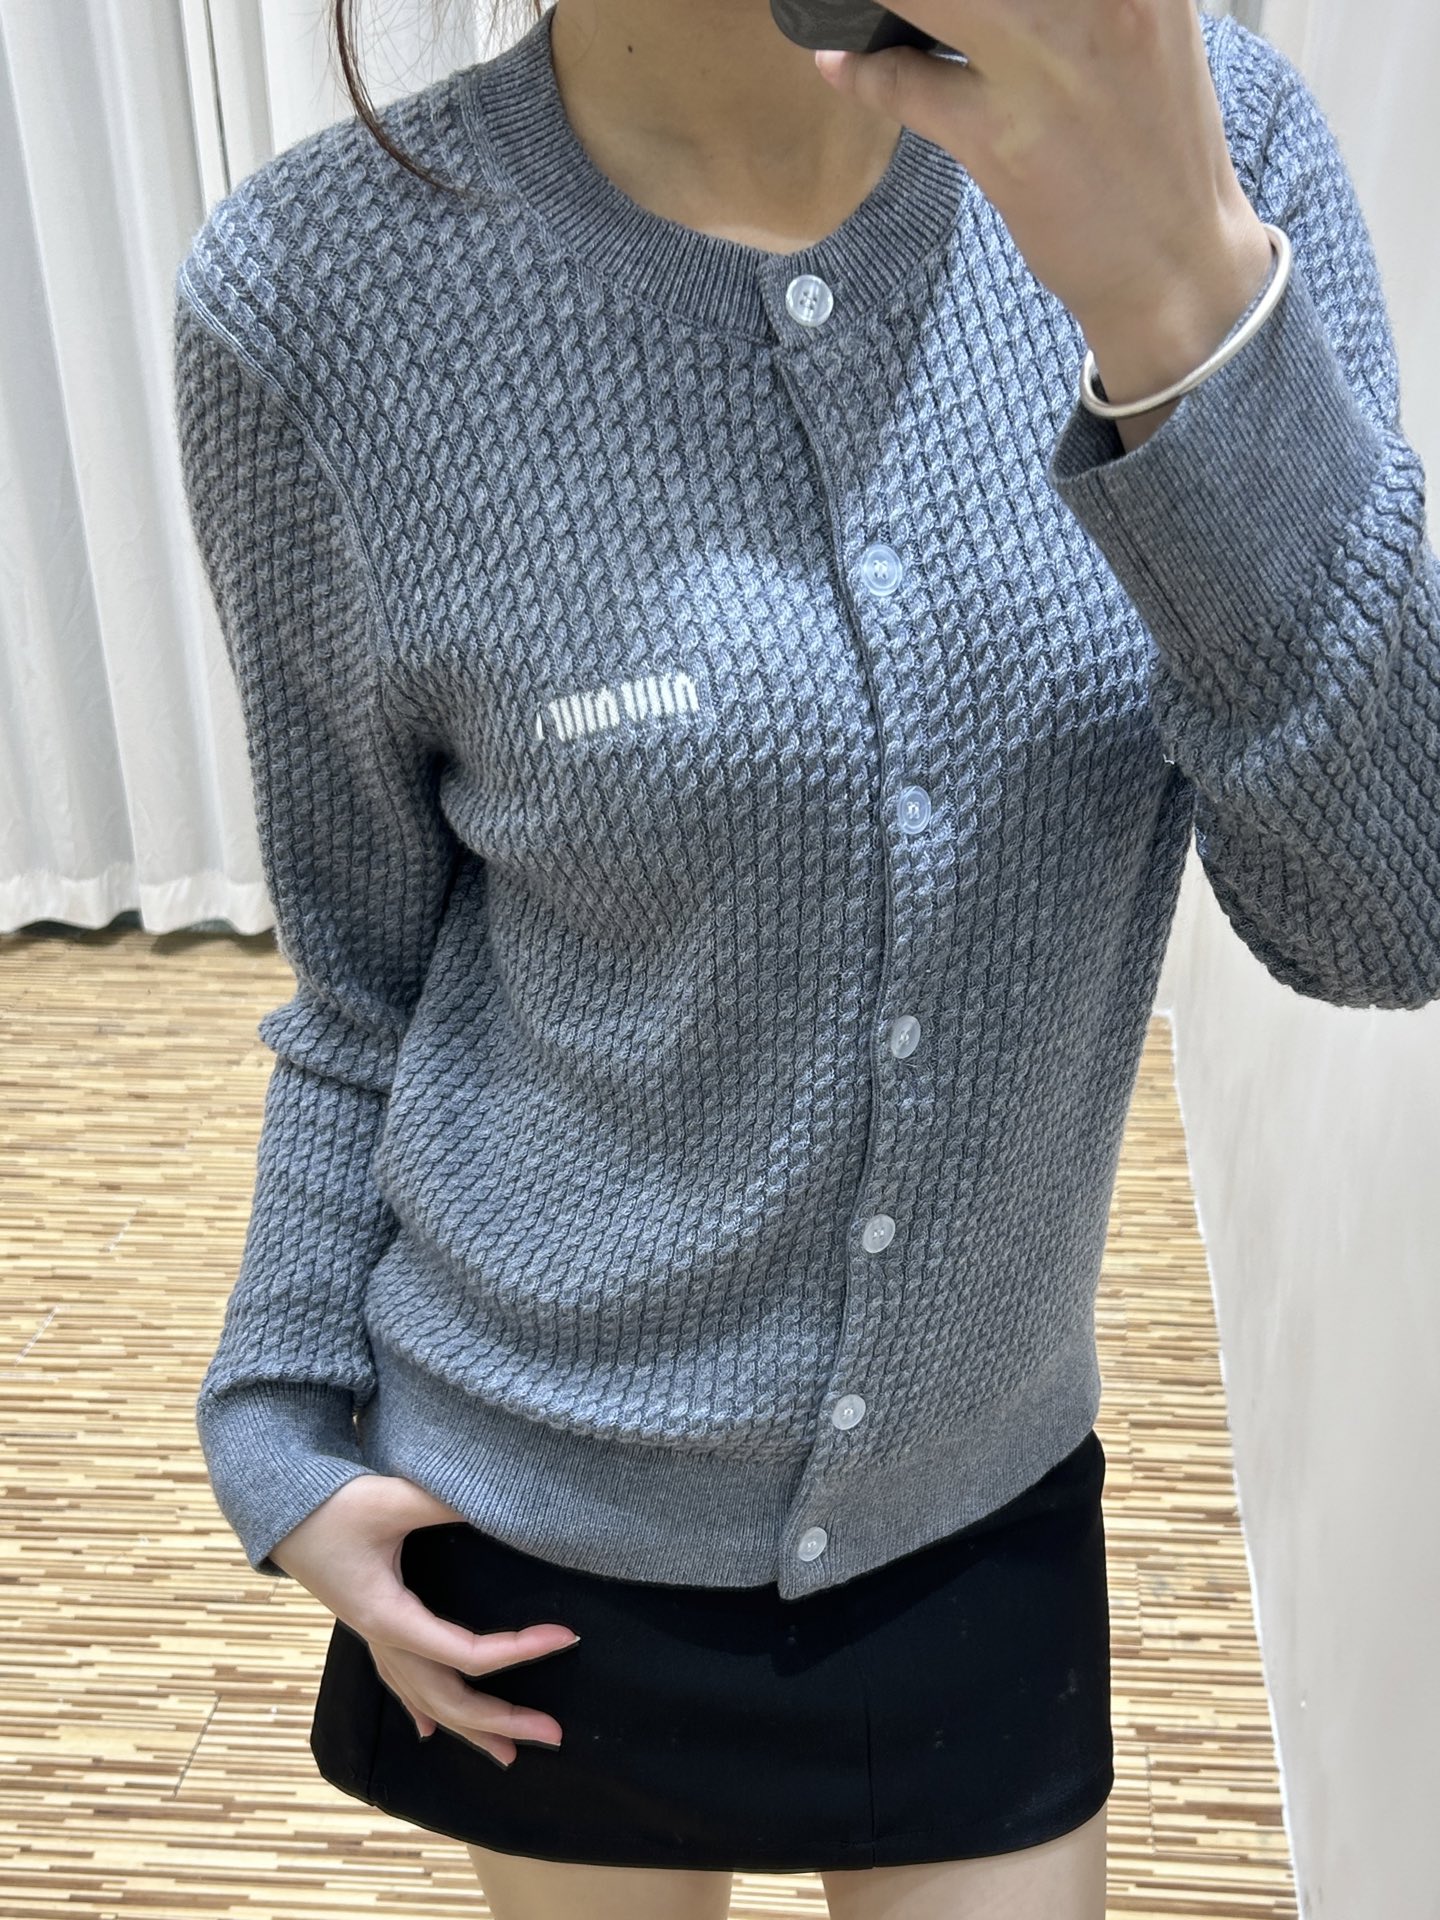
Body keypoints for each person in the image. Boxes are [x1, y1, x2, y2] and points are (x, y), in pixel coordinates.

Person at [171, 1, 1440, 1915]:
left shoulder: (1204, 140)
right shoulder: (319, 295)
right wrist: (277, 1419)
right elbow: (366, 972)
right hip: (533, 1522)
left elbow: (1389, 910)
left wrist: (1175, 302)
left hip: (976, 1495)